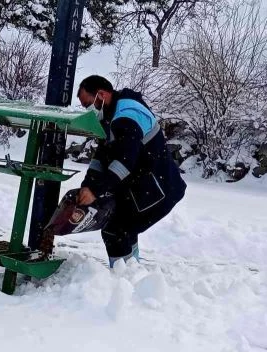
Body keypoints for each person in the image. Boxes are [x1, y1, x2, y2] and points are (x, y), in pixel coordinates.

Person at [76, 75, 187, 268]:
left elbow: (123, 163)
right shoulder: (113, 113)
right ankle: (132, 272)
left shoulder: (126, 117)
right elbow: (102, 155)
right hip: (144, 187)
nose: (88, 111)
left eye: (88, 105)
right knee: (123, 227)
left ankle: (123, 279)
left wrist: (95, 191)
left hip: (159, 189)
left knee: (115, 230)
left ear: (101, 95)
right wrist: (88, 184)